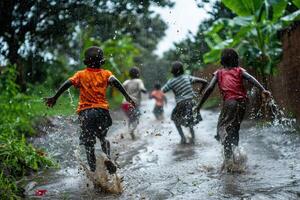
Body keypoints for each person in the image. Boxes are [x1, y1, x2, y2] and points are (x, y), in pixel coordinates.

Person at [44, 46, 135, 174]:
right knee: (103, 138)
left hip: (86, 113)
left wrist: (55, 97)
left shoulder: (80, 74)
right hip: (102, 111)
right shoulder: (106, 73)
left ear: (86, 62)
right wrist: (127, 96)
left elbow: (68, 83)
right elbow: (115, 82)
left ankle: (93, 172)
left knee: (89, 145)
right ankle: (107, 158)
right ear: (102, 62)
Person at [195, 48, 271, 170]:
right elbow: (251, 78)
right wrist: (263, 89)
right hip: (243, 103)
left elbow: (209, 88)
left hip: (230, 102)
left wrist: (199, 106)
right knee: (234, 127)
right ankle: (236, 156)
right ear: (236, 60)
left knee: (222, 128)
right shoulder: (239, 71)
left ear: (222, 61)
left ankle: (229, 161)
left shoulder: (219, 73)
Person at [162, 61, 208, 144]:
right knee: (190, 122)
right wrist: (200, 92)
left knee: (175, 119)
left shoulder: (171, 81)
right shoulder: (187, 77)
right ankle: (193, 139)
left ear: (173, 71)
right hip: (192, 102)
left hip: (181, 103)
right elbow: (204, 81)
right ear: (182, 70)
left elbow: (162, 91)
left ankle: (183, 138)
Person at [121, 67, 147, 139]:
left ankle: (128, 131)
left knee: (130, 118)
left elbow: (121, 88)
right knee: (136, 118)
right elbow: (141, 88)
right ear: (138, 74)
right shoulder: (138, 81)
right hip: (133, 104)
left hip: (124, 104)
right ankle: (131, 131)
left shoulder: (126, 82)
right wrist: (144, 90)